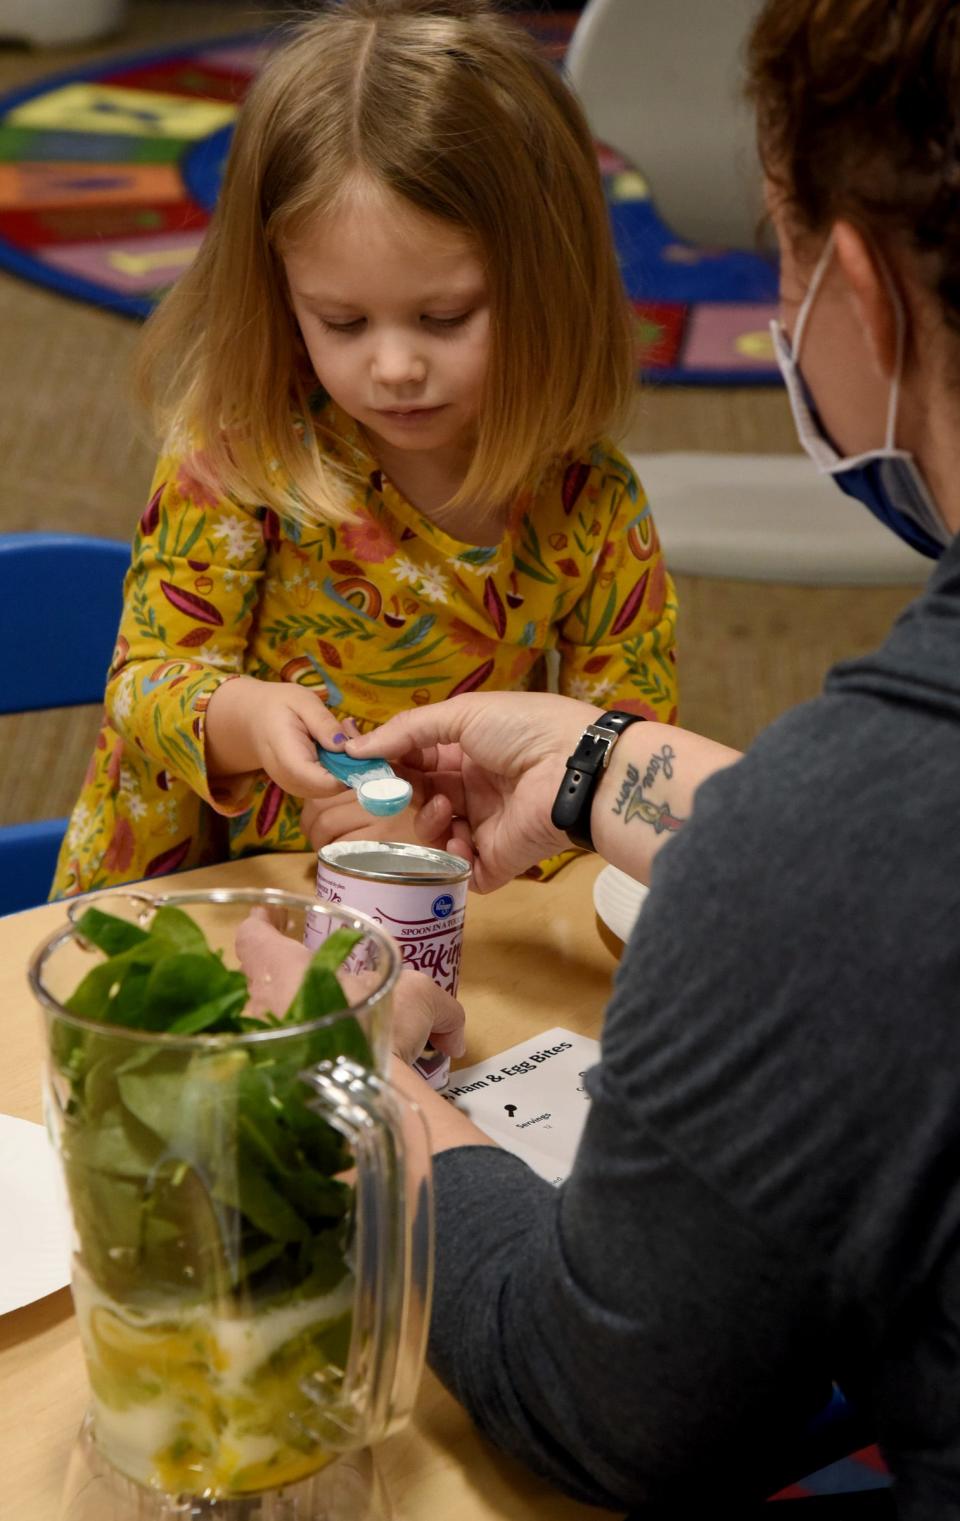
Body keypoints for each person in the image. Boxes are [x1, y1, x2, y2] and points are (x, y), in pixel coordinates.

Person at [242, 0, 960, 1512]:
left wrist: (358, 1083)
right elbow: (888, 864)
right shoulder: (860, 836)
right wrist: (597, 763)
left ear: (856, 291)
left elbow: (608, 1398)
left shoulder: (842, 838)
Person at [50, 0, 677, 900]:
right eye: (340, 321)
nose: (393, 367)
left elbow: (630, 768)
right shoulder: (244, 454)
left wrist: (455, 831)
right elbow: (146, 681)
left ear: (550, 282)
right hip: (209, 894)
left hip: (453, 899)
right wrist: (248, 714)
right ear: (279, 291)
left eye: (444, 316)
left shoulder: (592, 506)